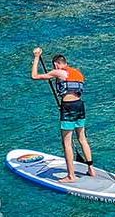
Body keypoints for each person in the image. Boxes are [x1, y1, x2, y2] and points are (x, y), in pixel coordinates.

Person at [30, 48, 94, 183]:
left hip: (68, 108)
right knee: (82, 139)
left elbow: (34, 76)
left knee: (67, 143)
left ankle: (71, 176)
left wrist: (37, 57)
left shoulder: (58, 71)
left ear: (56, 64)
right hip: (80, 105)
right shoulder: (78, 72)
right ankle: (91, 169)